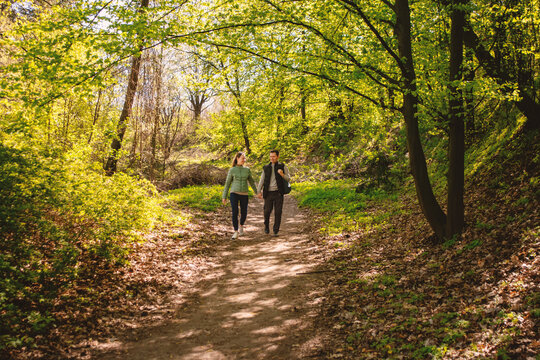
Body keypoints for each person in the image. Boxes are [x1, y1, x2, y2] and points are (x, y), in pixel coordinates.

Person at [222, 152, 258, 239]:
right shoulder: (232, 170)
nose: (244, 160)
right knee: (235, 212)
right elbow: (227, 184)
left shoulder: (247, 170)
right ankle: (235, 231)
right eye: (242, 158)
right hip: (234, 193)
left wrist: (257, 192)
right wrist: (224, 196)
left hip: (244, 193)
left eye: (244, 158)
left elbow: (252, 182)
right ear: (237, 158)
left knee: (244, 212)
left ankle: (241, 225)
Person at [257, 150, 290, 236]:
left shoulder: (282, 166)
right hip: (268, 193)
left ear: (278, 156)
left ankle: (276, 230)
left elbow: (288, 179)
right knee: (267, 211)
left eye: (274, 156)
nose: (272, 158)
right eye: (270, 156)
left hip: (278, 193)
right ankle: (266, 226)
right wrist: (258, 191)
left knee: (278, 212)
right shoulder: (266, 167)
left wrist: (282, 174)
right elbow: (262, 180)